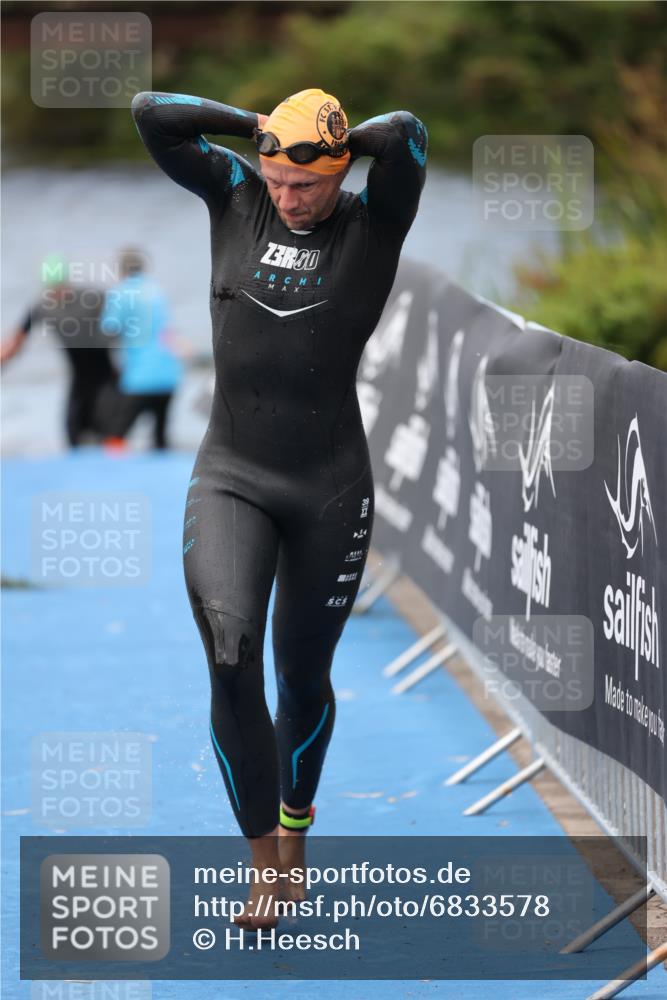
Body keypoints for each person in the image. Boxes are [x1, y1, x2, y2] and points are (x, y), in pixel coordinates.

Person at [131, 86, 427, 927]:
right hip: (233, 473)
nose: (289, 199)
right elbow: (151, 112)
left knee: (301, 676)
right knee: (231, 656)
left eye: (306, 184)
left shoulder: (374, 224)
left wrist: (325, 136)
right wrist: (259, 130)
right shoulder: (235, 194)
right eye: (277, 182)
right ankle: (264, 863)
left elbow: (404, 134)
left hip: (328, 485)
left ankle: (296, 826)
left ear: (338, 172)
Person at [1, 253, 117, 446]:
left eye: (60, 286)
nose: (57, 293)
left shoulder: (92, 298)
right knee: (73, 436)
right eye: (52, 288)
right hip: (79, 382)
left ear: (67, 282)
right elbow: (16, 342)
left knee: (109, 437)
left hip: (106, 380)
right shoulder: (43, 308)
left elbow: (124, 320)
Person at [99, 248, 183, 450]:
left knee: (115, 437)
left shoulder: (121, 293)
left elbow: (108, 329)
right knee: (160, 440)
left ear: (121, 270)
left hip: (139, 379)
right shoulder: (157, 290)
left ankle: (109, 468)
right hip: (169, 374)